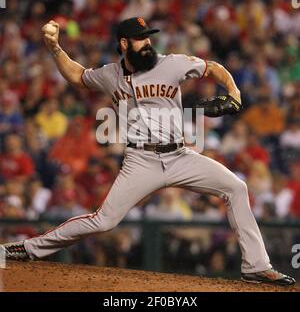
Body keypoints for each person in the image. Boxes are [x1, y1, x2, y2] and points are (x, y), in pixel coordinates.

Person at [3, 17, 295, 286]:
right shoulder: (110, 74)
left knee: (236, 187)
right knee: (104, 220)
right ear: (124, 44)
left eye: (149, 37)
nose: (148, 43)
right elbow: (78, 76)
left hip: (180, 156)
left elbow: (213, 68)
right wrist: (55, 48)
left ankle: (256, 265)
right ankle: (26, 248)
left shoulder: (171, 64)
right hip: (140, 161)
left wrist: (234, 93)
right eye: (141, 38)